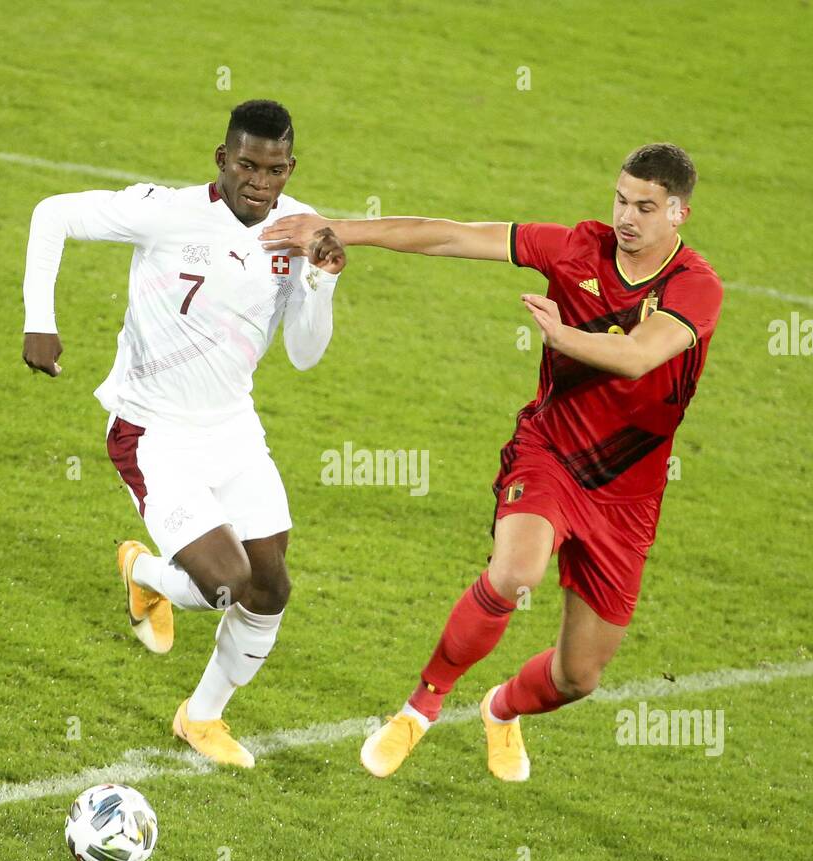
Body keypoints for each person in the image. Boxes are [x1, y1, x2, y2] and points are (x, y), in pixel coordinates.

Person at [261, 143, 722, 781]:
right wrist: (339, 231)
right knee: (515, 572)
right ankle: (419, 709)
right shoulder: (572, 249)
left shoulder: (696, 286)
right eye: (620, 200)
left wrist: (564, 338)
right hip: (552, 454)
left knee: (578, 676)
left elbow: (641, 355)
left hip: (629, 498)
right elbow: (452, 236)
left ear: (679, 213)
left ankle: (500, 711)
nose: (627, 218)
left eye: (645, 207)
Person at [22, 100, 346, 768]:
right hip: (154, 434)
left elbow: (306, 356)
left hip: (232, 431)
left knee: (272, 589)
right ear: (223, 160)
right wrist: (39, 320)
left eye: (276, 168)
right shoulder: (167, 212)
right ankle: (144, 570)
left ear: (291, 168)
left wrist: (320, 284)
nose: (261, 181)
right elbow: (52, 213)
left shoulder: (299, 231)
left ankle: (201, 717)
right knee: (228, 581)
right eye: (249, 165)